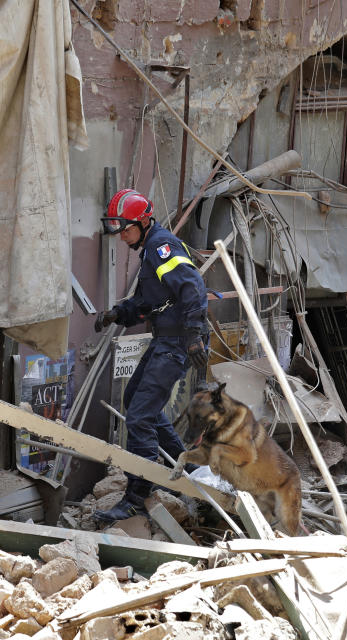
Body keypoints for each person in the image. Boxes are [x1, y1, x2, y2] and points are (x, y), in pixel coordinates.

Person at [92, 188, 209, 522]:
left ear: (144, 221)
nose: (121, 235)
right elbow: (149, 301)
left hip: (178, 341)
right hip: (166, 339)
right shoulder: (149, 250)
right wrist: (118, 313)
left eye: (126, 228)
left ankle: (135, 495)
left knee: (141, 415)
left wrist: (194, 336)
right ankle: (179, 466)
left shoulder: (160, 247)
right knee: (137, 401)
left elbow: (192, 287)